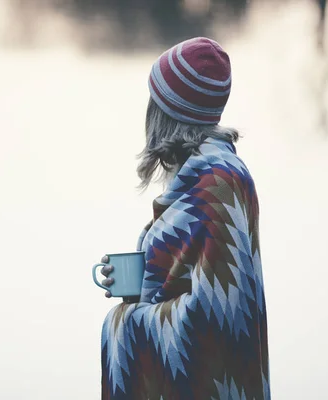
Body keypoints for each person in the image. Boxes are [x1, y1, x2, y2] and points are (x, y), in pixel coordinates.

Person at [98, 37, 270, 400]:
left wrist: (125, 324)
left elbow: (215, 319)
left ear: (165, 112)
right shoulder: (198, 179)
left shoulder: (220, 184)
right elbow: (184, 281)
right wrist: (138, 285)